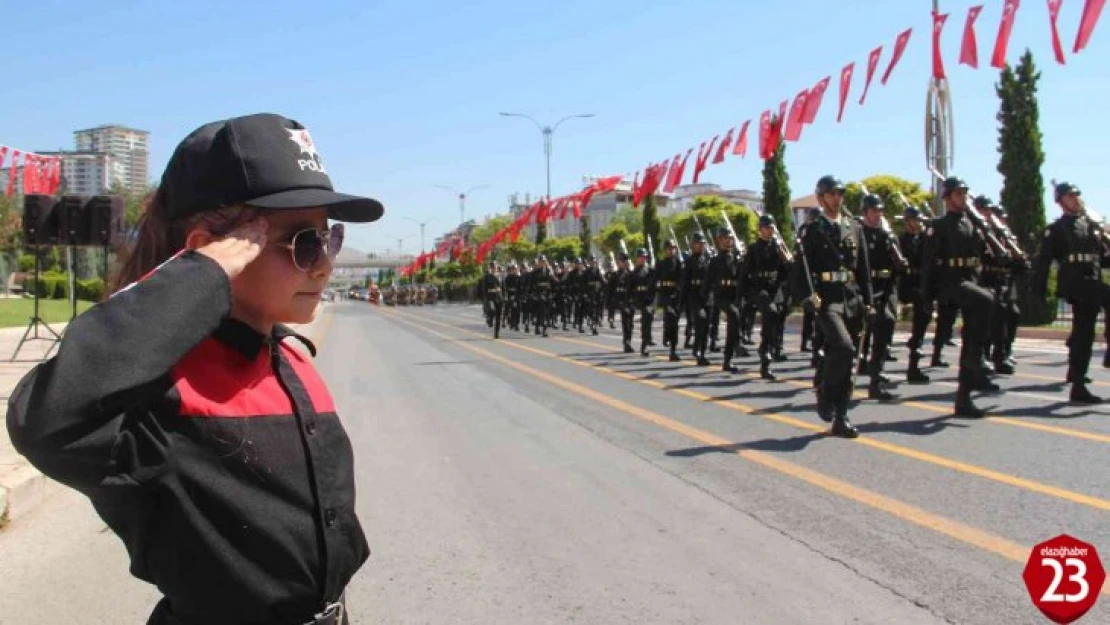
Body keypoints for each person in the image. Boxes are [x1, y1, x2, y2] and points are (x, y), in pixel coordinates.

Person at [6, 113, 378, 624]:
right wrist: (197, 277)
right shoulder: (163, 386)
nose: (324, 264)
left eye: (328, 240)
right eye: (303, 243)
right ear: (213, 252)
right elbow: (49, 420)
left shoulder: (288, 357)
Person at [920, 176, 1000, 417]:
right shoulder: (940, 225)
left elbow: (984, 254)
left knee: (972, 344)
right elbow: (927, 264)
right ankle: (975, 363)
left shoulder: (971, 223)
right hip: (951, 283)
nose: (962, 197)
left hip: (970, 281)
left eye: (964, 193)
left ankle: (964, 397)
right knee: (986, 300)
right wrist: (925, 295)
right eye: (958, 194)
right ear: (947, 198)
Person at [792, 175, 862, 438]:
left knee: (849, 358)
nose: (837, 198)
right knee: (843, 347)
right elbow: (800, 270)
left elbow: (861, 267)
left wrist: (869, 299)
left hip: (851, 298)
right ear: (821, 198)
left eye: (839, 193)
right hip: (827, 299)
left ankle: (841, 416)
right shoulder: (811, 231)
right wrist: (806, 296)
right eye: (831, 194)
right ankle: (824, 389)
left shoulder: (853, 227)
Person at [1033, 181, 1108, 404]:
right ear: (1060, 201)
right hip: (1075, 282)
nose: (1075, 198)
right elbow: (1043, 261)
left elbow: (1102, 257)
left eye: (1077, 195)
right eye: (1070, 196)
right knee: (1085, 327)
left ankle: (1077, 381)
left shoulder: (1091, 225)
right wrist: (1038, 289)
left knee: (1083, 332)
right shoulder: (1056, 229)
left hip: (1093, 279)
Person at [739, 215, 790, 380]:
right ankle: (765, 349)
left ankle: (768, 351)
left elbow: (786, 270)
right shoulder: (754, 249)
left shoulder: (777, 248)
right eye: (767, 227)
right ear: (760, 229)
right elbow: (744, 273)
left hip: (774, 289)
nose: (770, 230)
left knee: (777, 316)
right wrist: (741, 296)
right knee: (771, 312)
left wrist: (785, 256)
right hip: (757, 288)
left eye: (772, 227)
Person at [898, 205, 933, 383]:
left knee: (923, 319)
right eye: (912, 221)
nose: (915, 224)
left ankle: (914, 362)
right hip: (907, 285)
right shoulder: (901, 241)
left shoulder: (924, 239)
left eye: (917, 221)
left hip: (922, 285)